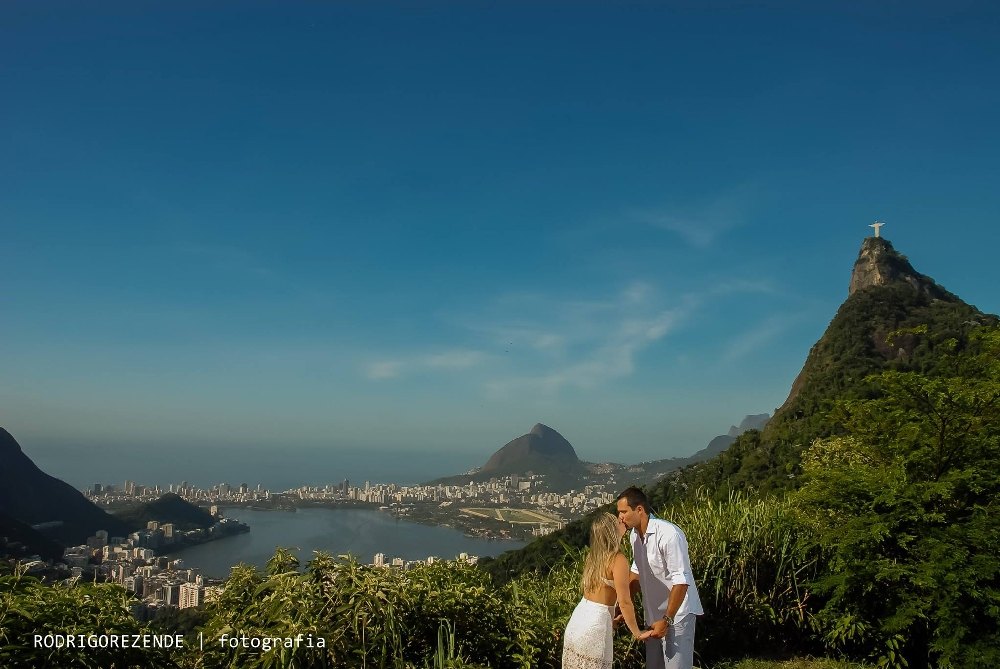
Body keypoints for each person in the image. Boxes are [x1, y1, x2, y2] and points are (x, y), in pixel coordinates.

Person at [616, 487, 703, 669]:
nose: (620, 518)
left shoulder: (668, 534)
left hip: (677, 615)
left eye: (624, 512)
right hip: (653, 615)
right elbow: (636, 573)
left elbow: (681, 581)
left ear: (639, 509)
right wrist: (624, 607)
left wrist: (667, 620)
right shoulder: (634, 536)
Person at [563, 512, 651, 668]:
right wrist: (637, 633)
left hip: (578, 621)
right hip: (595, 625)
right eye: (618, 522)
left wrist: (611, 620)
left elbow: (599, 596)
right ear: (612, 531)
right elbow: (624, 602)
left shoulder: (593, 556)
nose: (622, 522)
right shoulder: (618, 560)